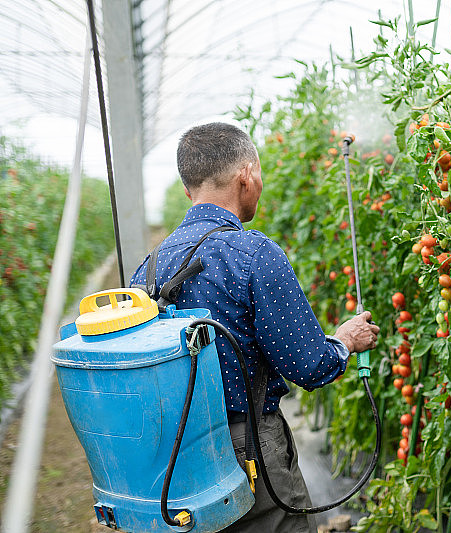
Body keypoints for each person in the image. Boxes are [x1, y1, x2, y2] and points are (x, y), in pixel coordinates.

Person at [129, 122, 379, 532]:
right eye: (258, 173)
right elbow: (310, 366)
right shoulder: (252, 253)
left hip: (172, 459)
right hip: (244, 451)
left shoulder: (150, 267)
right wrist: (345, 340)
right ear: (246, 175)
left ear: (189, 189)